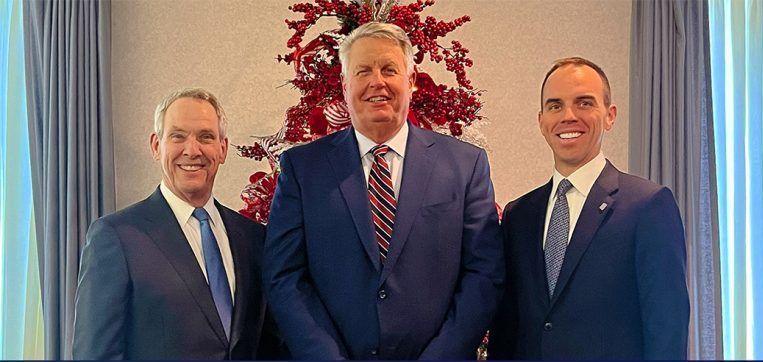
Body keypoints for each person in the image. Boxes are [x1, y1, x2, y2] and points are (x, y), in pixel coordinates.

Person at [263, 22, 504, 360]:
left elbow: (484, 273)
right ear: (346, 86)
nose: (377, 81)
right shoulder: (302, 170)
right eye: (363, 71)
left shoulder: (466, 166)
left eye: (389, 69)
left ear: (412, 81)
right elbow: (284, 276)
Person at [488, 57, 689, 359]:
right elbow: (507, 328)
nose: (568, 116)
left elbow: (667, 329)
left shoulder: (648, 206)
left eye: (584, 103)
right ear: (541, 120)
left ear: (610, 115)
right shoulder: (519, 216)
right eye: (555, 106)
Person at [72, 88, 280, 360]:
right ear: (157, 146)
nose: (192, 150)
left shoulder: (253, 238)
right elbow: (95, 354)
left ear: (223, 148)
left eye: (206, 137)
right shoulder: (116, 237)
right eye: (177, 137)